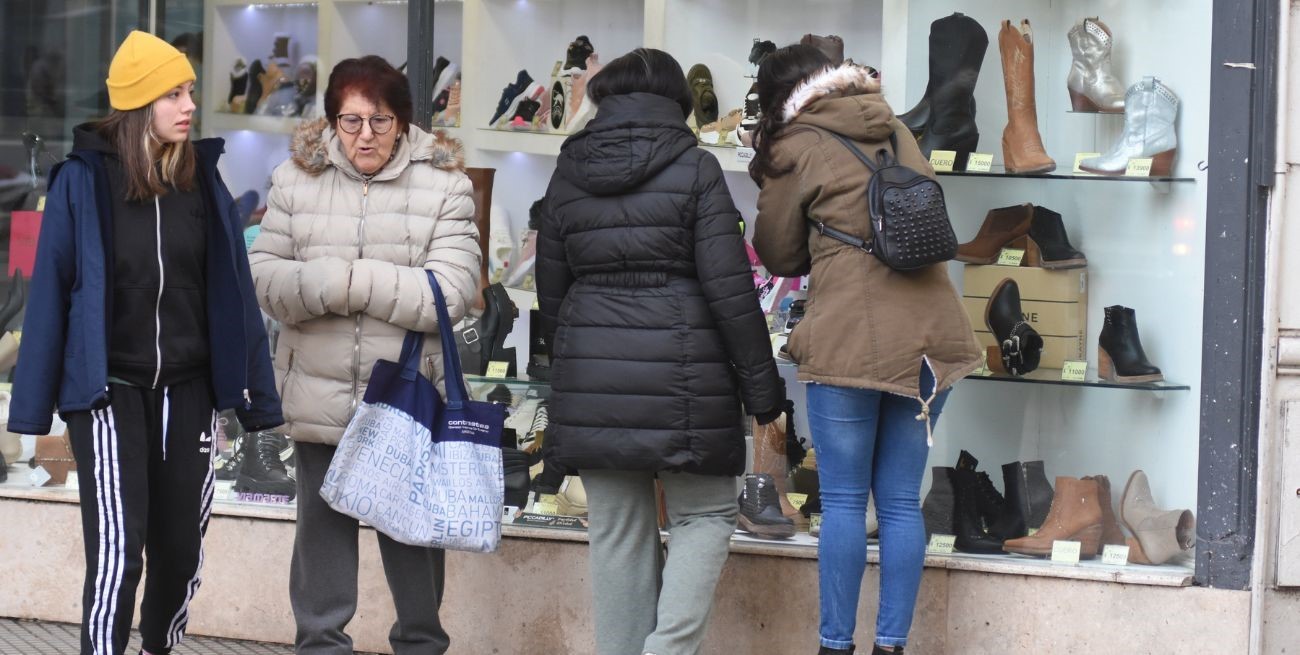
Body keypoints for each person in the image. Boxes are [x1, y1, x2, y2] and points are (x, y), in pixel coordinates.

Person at [8, 31, 282, 655]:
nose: (189, 104)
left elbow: (235, 292)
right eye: (173, 94)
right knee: (119, 551)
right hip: (109, 393)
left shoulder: (201, 181)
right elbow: (50, 289)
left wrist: (255, 397)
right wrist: (32, 407)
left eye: (188, 91)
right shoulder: (83, 181)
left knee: (181, 551)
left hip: (189, 389)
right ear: (138, 105)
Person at [537, 47, 785, 655]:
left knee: (619, 531)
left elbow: (551, 292)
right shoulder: (696, 168)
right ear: (677, 102)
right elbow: (730, 290)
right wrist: (763, 393)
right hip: (686, 373)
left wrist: (568, 370)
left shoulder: (568, 169)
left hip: (594, 374)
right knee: (705, 515)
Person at [749, 45, 982, 655]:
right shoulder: (896, 127)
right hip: (935, 336)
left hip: (849, 336)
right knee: (903, 501)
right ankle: (893, 645)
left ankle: (834, 645)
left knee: (848, 501)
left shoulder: (793, 146)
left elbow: (776, 251)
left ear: (781, 98)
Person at [248, 55, 480, 655]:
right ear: (331, 122)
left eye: (379, 122)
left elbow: (451, 293)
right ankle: (321, 647)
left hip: (404, 396)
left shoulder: (444, 183)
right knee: (320, 539)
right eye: (349, 123)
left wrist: (347, 280)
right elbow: (264, 278)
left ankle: (422, 645)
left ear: (402, 122)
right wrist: (336, 281)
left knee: (410, 538)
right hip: (318, 390)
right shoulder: (295, 179)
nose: (364, 138)